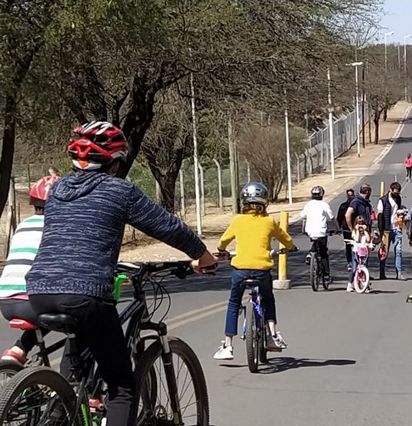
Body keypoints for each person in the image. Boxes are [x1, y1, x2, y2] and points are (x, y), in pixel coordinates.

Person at [25, 121, 217, 426]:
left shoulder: (58, 188)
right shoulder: (118, 190)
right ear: (114, 162)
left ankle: (63, 410)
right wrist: (203, 256)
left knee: (81, 350)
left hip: (39, 291)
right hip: (85, 293)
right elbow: (168, 226)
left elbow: (76, 236)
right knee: (123, 386)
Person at [214, 182, 296, 360]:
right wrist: (291, 247)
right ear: (264, 203)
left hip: (240, 270)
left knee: (234, 304)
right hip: (262, 271)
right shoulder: (269, 222)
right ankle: (273, 336)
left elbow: (222, 242)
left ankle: (228, 345)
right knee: (268, 300)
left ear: (243, 202)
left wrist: (223, 251)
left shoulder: (237, 220)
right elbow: (286, 239)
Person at [0, 175, 59, 364]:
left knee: (41, 311)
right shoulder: (57, 227)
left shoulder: (23, 226)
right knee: (82, 322)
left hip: (5, 300)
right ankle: (72, 385)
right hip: (33, 301)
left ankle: (19, 349)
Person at [301, 186, 335, 282]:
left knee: (315, 242)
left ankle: (310, 254)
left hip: (310, 231)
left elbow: (302, 215)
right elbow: (331, 218)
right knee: (324, 253)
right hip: (321, 231)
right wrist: (336, 229)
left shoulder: (308, 204)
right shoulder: (324, 205)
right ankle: (326, 275)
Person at [376, 182, 404, 280]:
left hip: (397, 228)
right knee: (384, 251)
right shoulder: (383, 200)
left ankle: (399, 273)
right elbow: (379, 216)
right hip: (386, 229)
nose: (396, 194)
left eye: (398, 193)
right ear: (390, 190)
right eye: (395, 192)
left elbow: (399, 211)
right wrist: (381, 231)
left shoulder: (398, 199)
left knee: (398, 251)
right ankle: (382, 272)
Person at [347, 216, 372, 292]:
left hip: (364, 252)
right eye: (358, 224)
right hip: (356, 252)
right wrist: (357, 230)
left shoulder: (366, 232)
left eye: (362, 224)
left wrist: (365, 231)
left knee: (364, 269)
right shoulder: (354, 232)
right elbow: (357, 239)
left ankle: (365, 285)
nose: (360, 225)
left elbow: (368, 239)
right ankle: (350, 284)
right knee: (354, 269)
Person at [336, 188, 355, 271]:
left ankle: (356, 262)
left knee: (356, 246)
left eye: (351, 195)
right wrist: (338, 228)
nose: (350, 197)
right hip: (346, 229)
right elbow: (339, 218)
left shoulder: (356, 205)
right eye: (349, 195)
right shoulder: (343, 206)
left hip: (356, 229)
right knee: (348, 246)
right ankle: (350, 262)